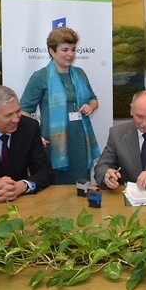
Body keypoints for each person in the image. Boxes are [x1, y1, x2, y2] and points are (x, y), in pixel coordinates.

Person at [20, 27, 100, 184]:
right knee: (55, 190)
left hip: (81, 143)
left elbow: (94, 99)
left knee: (81, 188)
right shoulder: (40, 77)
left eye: (73, 49)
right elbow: (23, 111)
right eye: (65, 50)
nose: (70, 54)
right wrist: (35, 136)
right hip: (53, 145)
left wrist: (91, 106)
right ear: (52, 51)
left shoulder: (80, 73)